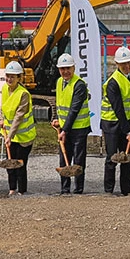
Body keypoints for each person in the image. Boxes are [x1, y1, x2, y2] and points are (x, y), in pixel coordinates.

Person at [51, 53, 90, 194]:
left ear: (73, 68)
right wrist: (56, 119)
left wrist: (64, 130)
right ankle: (65, 189)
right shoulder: (59, 82)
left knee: (78, 161)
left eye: (68, 68)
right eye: (62, 69)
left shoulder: (79, 85)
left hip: (79, 128)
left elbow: (74, 109)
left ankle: (78, 189)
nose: (65, 71)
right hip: (64, 128)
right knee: (64, 158)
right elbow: (59, 103)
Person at [101, 46, 130, 196]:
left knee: (126, 156)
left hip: (127, 120)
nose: (127, 66)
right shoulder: (113, 83)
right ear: (116, 64)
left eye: (128, 63)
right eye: (123, 64)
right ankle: (109, 190)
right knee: (112, 157)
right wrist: (127, 130)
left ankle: (126, 190)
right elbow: (118, 108)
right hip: (111, 123)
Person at [0, 61, 36, 196]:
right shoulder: (4, 88)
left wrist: (10, 136)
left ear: (19, 78)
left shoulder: (23, 94)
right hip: (9, 134)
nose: (9, 79)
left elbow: (19, 117)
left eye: (13, 77)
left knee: (20, 164)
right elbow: (3, 106)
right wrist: (1, 118)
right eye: (8, 76)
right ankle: (12, 189)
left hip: (24, 137)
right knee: (10, 164)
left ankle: (22, 190)